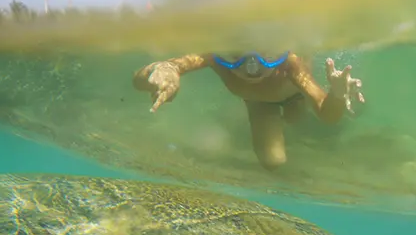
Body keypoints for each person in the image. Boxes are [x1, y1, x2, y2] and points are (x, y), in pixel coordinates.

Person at [132, 51, 364, 169]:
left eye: (264, 58)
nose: (250, 68)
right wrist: (164, 71)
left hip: (294, 95)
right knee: (273, 162)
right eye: (235, 58)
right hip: (258, 104)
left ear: (277, 52)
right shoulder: (213, 57)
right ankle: (277, 121)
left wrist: (336, 95)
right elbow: (145, 77)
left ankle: (296, 113)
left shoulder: (291, 65)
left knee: (296, 117)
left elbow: (328, 115)